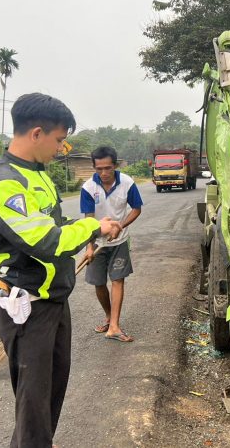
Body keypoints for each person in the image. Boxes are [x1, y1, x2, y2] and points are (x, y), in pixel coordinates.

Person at [0, 93, 122, 448]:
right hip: (25, 303)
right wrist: (93, 229)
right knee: (34, 401)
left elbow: (55, 223)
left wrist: (90, 223)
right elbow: (44, 240)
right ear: (37, 133)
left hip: (52, 298)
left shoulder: (38, 174)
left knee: (51, 390)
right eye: (59, 140)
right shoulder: (5, 183)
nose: (62, 148)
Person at [80, 146, 143, 342]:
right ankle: (109, 316)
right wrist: (89, 247)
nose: (104, 173)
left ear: (115, 165)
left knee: (117, 279)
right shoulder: (88, 188)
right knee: (98, 283)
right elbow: (88, 220)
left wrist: (120, 226)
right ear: (94, 168)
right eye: (99, 169)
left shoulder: (127, 183)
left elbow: (136, 209)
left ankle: (114, 326)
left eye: (108, 168)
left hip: (119, 241)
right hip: (97, 241)